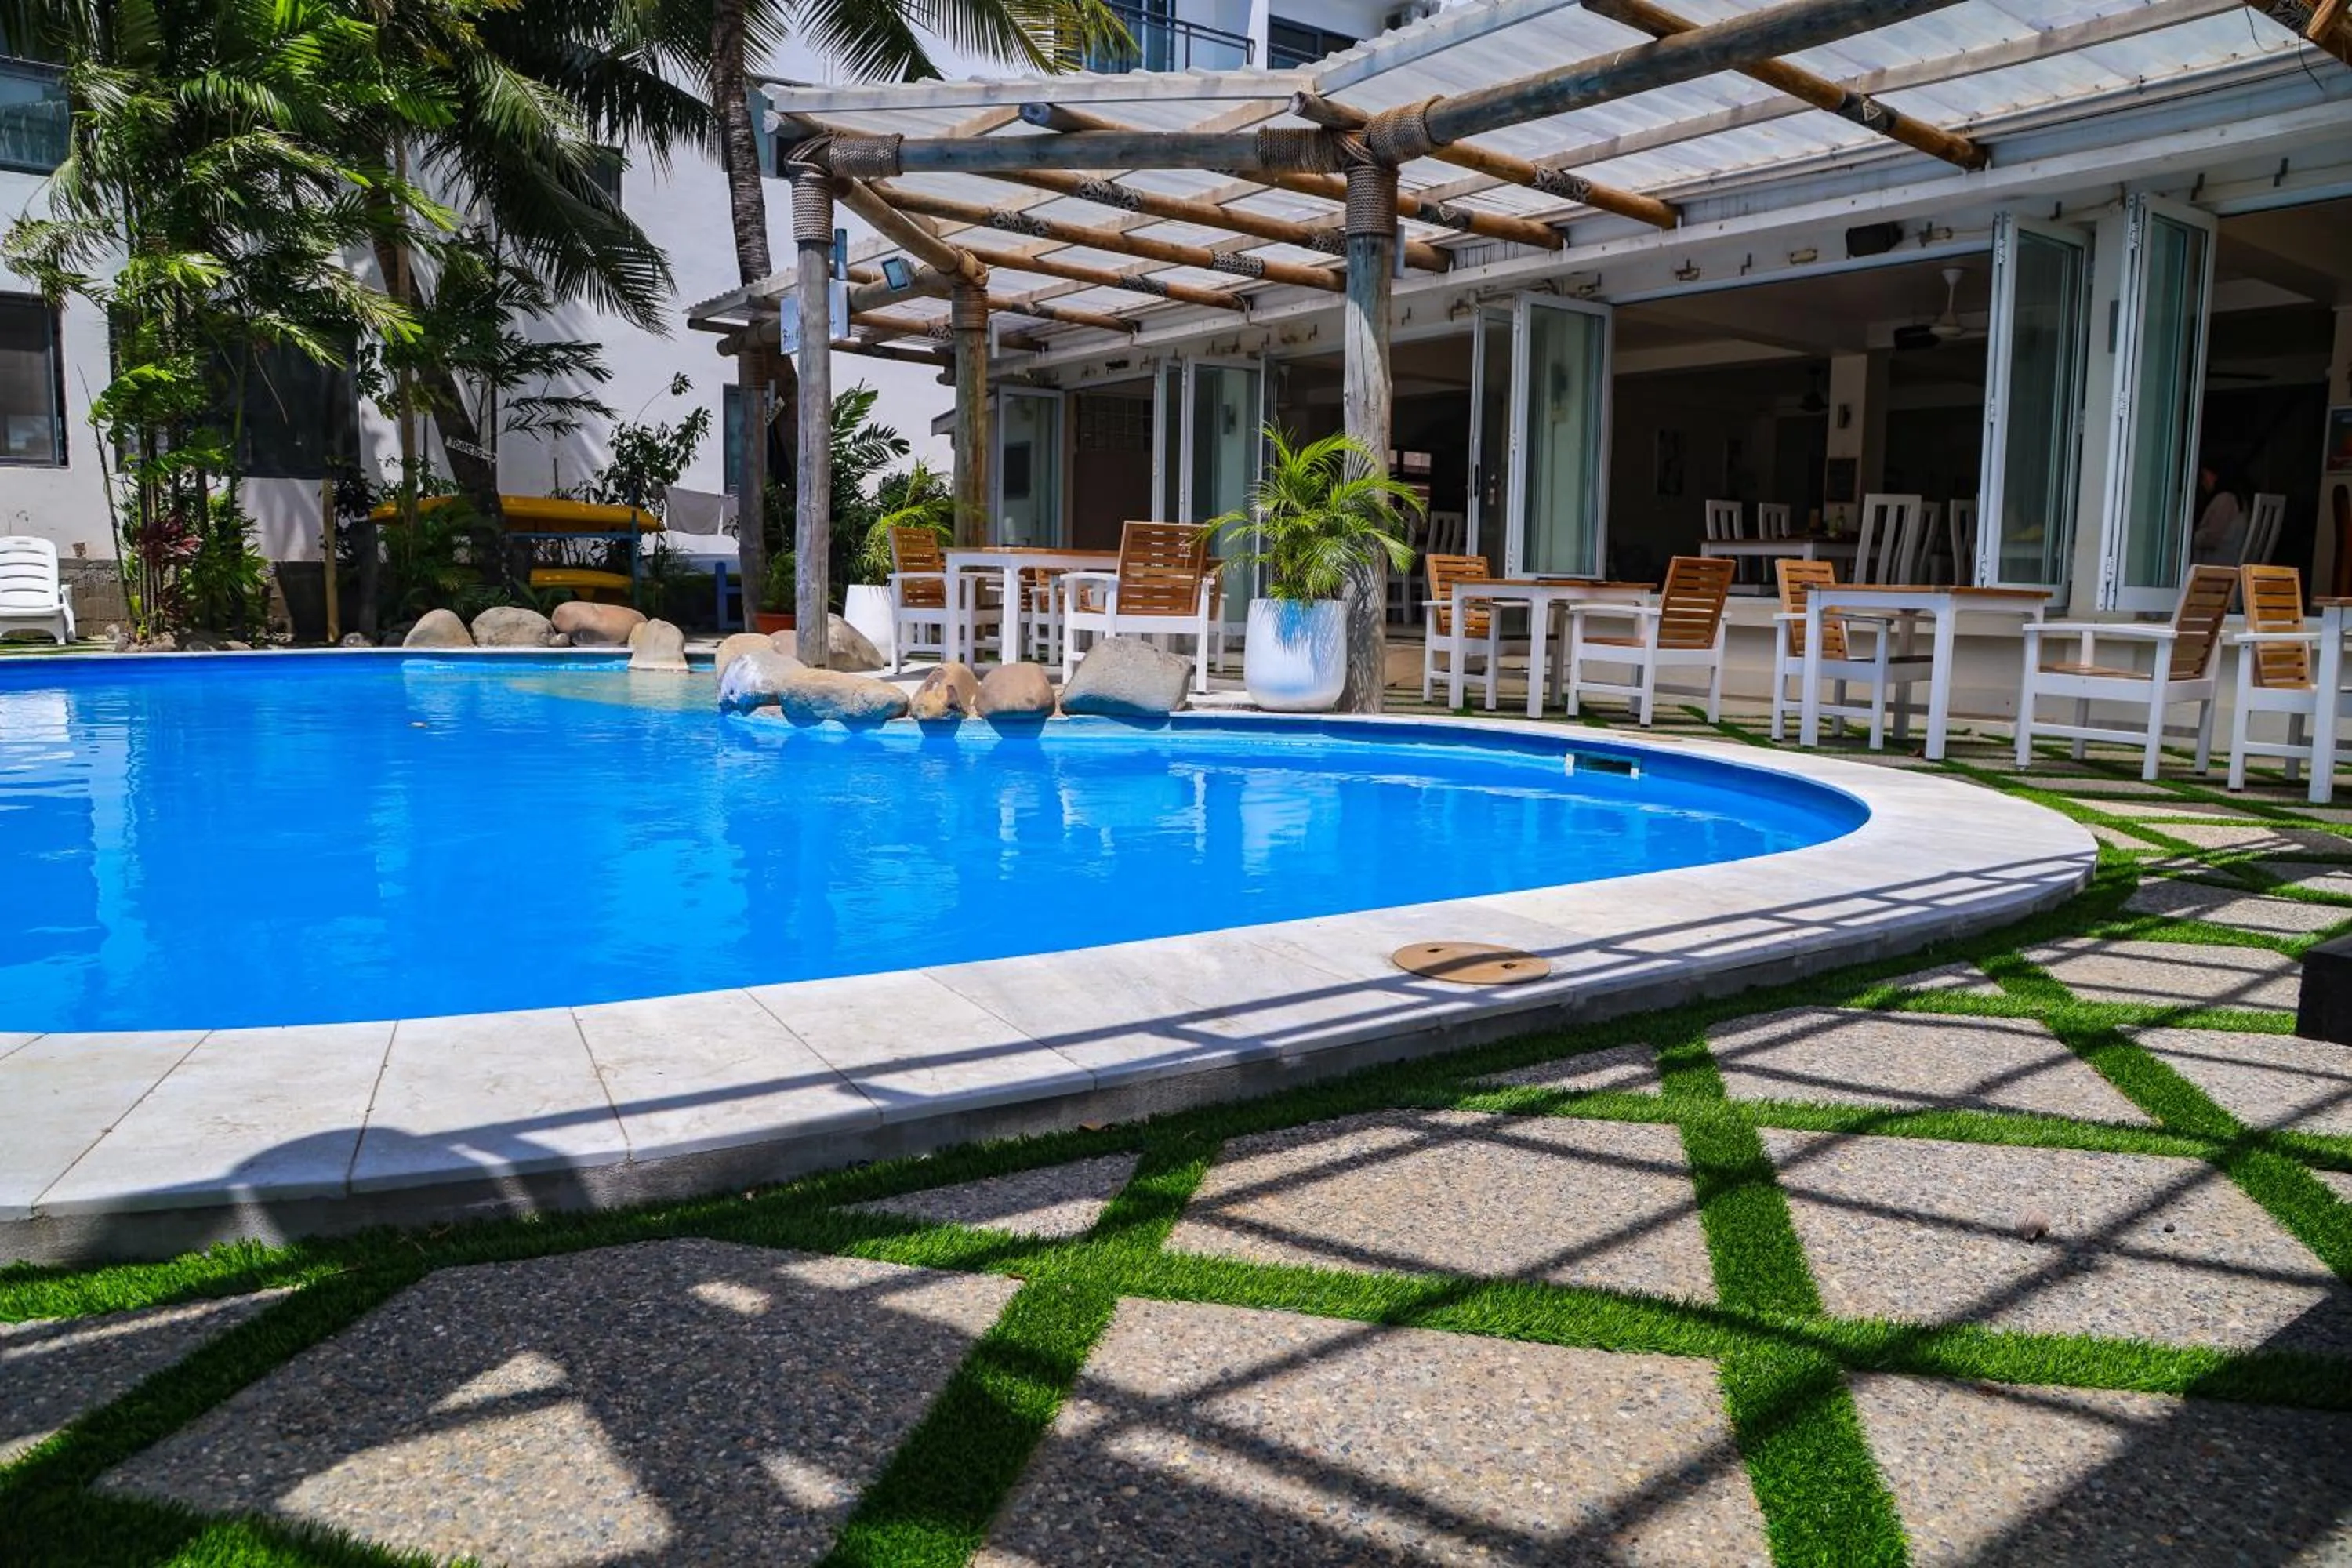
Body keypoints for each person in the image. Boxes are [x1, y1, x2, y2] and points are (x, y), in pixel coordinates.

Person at [2190, 463, 2245, 565]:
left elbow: (2212, 536)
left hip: (2219, 563)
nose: (2203, 483)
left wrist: (2188, 537)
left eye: (2204, 477)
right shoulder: (2232, 498)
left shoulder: (2225, 500)